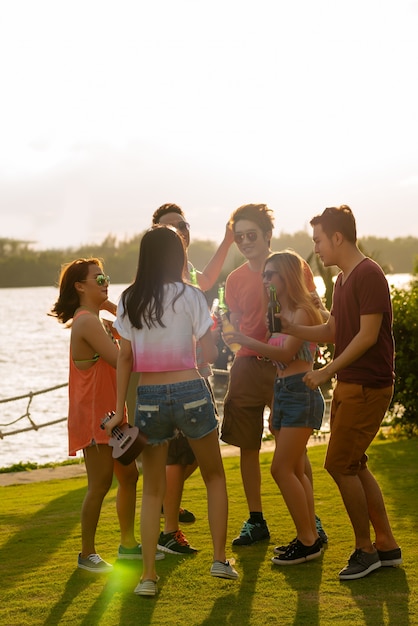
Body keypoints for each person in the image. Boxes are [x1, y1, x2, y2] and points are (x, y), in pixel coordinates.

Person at [105, 226, 238, 597]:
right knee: (214, 476)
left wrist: (120, 410)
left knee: (152, 491)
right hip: (190, 390)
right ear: (177, 255)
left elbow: (125, 357)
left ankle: (148, 576)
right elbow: (209, 354)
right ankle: (219, 559)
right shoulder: (192, 295)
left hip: (147, 396)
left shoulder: (129, 298)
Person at [280, 205, 401, 580]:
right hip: (351, 384)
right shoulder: (344, 279)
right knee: (355, 462)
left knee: (339, 464)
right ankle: (386, 545)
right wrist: (291, 328)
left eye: (318, 240)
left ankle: (366, 550)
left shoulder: (368, 274)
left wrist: (325, 370)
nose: (315, 248)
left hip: (367, 384)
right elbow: (335, 329)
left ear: (337, 237)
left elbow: (366, 336)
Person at [220, 203, 327, 547]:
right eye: (239, 237)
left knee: (293, 451)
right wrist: (231, 338)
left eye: (252, 235)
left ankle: (311, 523)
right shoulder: (234, 280)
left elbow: (311, 314)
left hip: (287, 368)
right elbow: (234, 325)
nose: (246, 241)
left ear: (268, 235)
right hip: (248, 367)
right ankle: (256, 521)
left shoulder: (292, 267)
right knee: (247, 446)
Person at [151, 203, 234, 555]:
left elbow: (208, 280)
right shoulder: (161, 278)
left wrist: (228, 240)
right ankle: (169, 528)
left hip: (198, 375)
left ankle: (166, 504)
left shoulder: (189, 273)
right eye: (171, 227)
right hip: (178, 379)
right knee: (181, 458)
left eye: (183, 225)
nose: (179, 231)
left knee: (192, 457)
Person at [50, 258, 141, 573]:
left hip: (112, 413)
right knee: (100, 484)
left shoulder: (95, 319)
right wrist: (120, 315)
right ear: (80, 285)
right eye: (98, 277)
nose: (105, 281)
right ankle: (86, 553)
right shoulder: (87, 321)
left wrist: (115, 314)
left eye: (106, 277)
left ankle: (128, 545)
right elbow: (122, 359)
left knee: (129, 476)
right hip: (95, 415)